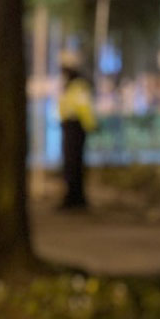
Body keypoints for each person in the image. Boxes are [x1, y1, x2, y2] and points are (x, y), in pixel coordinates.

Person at [58, 57, 96, 209]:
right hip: (69, 127)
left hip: (75, 128)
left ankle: (75, 198)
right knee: (70, 165)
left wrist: (90, 125)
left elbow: (84, 108)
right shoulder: (71, 86)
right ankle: (72, 196)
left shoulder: (78, 86)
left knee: (73, 165)